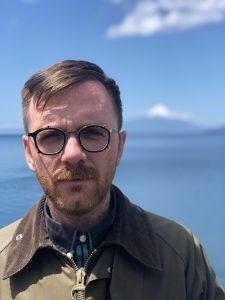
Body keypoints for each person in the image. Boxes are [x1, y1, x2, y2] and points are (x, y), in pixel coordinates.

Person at [0, 60, 224, 300]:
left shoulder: (182, 253)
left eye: (94, 132)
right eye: (51, 136)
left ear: (120, 147)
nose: (73, 154)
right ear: (28, 153)